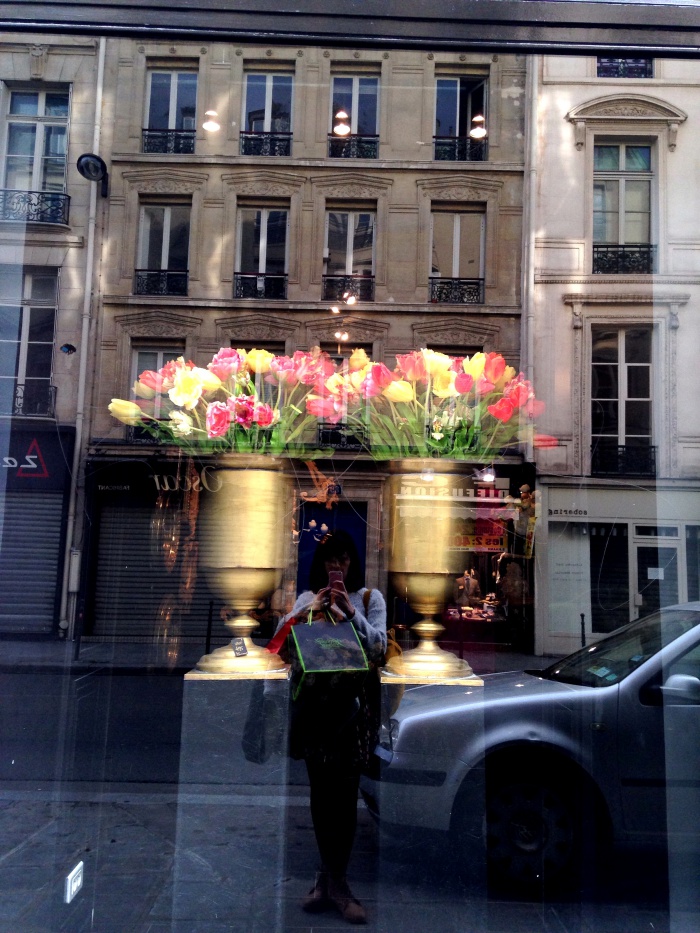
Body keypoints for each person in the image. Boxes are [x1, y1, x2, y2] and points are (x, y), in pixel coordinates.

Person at [270, 530, 386, 925]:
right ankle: (327, 880)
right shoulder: (307, 598)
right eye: (330, 560)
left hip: (353, 711)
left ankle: (337, 882)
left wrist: (351, 615)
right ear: (321, 565)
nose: (337, 567)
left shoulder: (369, 599)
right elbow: (278, 644)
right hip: (316, 710)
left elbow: (380, 649)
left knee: (345, 795)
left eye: (344, 559)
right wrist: (310, 610)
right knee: (321, 795)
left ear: (353, 563)